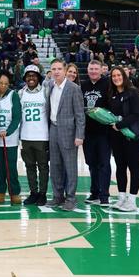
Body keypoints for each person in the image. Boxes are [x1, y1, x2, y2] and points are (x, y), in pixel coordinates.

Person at [46, 59, 85, 211]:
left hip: (69, 132)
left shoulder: (73, 88)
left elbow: (80, 115)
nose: (56, 71)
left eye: (59, 69)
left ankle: (70, 198)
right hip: (53, 129)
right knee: (55, 165)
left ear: (64, 70)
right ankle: (57, 196)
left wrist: (79, 135)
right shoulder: (50, 86)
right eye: (53, 69)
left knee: (70, 166)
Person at [106, 66, 139, 212]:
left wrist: (119, 125)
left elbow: (136, 115)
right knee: (120, 167)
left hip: (132, 136)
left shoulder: (134, 93)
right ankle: (121, 197)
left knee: (134, 167)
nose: (116, 78)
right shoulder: (112, 94)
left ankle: (132, 200)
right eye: (113, 76)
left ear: (124, 76)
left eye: (118, 75)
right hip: (117, 137)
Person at [81, 60, 111, 207]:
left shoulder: (108, 84)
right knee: (91, 163)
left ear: (101, 70)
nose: (93, 71)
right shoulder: (83, 85)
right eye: (91, 68)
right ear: (88, 70)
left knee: (104, 164)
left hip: (104, 132)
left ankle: (104, 195)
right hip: (88, 132)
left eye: (96, 69)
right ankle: (94, 193)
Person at [18, 65, 50, 206]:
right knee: (29, 166)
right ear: (25, 78)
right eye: (28, 75)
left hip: (42, 136)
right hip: (26, 136)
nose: (31, 78)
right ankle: (33, 193)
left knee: (43, 167)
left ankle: (42, 194)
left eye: (34, 75)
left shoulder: (45, 91)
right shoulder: (20, 93)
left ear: (39, 77)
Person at [0, 72, 22, 204]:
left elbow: (16, 117)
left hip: (9, 139)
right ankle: (0, 192)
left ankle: (14, 192)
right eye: (1, 83)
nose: (3, 86)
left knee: (10, 168)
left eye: (6, 83)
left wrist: (8, 131)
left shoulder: (13, 95)